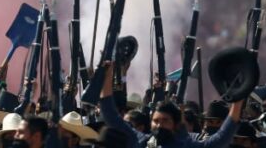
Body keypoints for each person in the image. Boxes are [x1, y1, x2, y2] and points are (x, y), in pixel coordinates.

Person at [99, 62, 241, 148]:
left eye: (165, 120)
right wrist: (106, 77)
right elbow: (111, 116)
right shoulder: (140, 141)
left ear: (175, 123)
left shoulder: (187, 145)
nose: (159, 125)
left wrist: (237, 102)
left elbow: (221, 139)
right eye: (156, 121)